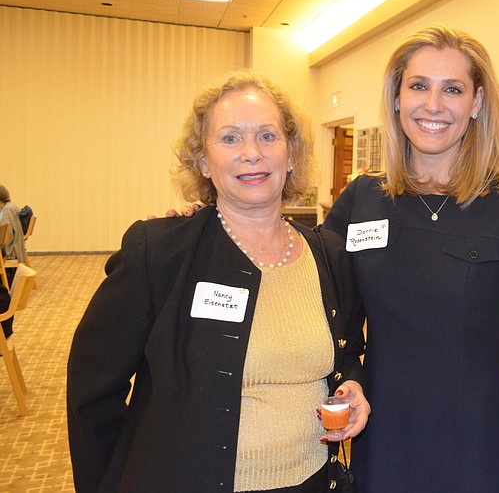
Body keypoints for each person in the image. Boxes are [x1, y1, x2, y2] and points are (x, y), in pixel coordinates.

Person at [67, 70, 369, 493]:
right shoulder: (160, 252)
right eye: (229, 138)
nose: (251, 153)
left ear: (292, 153)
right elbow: (93, 392)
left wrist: (353, 385)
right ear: (203, 161)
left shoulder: (329, 255)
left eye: (268, 136)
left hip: (314, 481)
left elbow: (350, 350)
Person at [323, 25, 499, 493]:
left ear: (478, 103)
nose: (434, 105)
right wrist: (218, 223)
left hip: (481, 442)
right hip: (384, 436)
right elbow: (309, 291)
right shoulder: (362, 200)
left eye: (453, 90)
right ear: (398, 98)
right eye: (419, 86)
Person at [0, 184, 28, 274]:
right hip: (15, 244)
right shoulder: (10, 206)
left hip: (10, 248)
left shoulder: (7, 210)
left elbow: (7, 237)